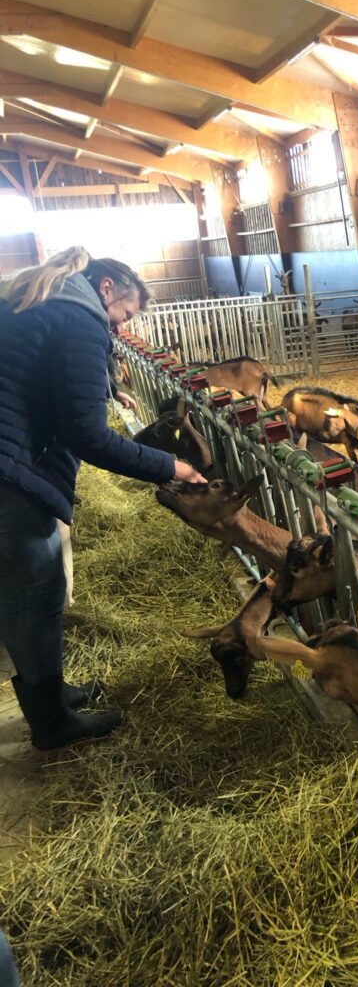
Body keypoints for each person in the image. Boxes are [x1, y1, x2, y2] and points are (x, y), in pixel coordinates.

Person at [0, 246, 205, 750]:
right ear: (107, 289)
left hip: (12, 459)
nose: (119, 327)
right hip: (10, 474)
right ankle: (51, 724)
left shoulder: (41, 301)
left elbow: (53, 382)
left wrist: (110, 387)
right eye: (125, 314)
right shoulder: (79, 317)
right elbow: (88, 435)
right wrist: (170, 465)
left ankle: (51, 693)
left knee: (28, 593)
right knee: (35, 593)